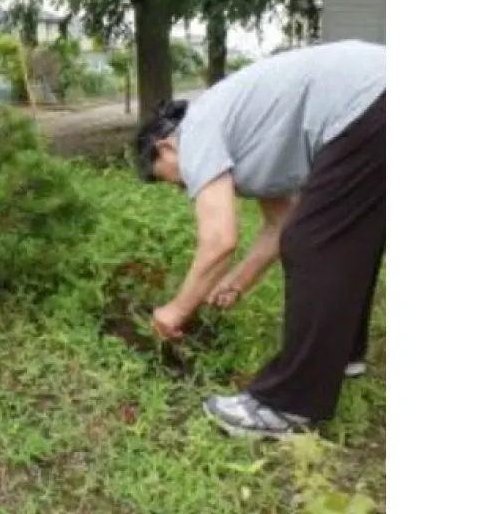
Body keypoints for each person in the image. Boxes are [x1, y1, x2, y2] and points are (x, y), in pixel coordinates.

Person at [135, 39, 385, 440]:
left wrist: (175, 311)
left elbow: (220, 240)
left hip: (365, 99)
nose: (182, 188)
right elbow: (279, 225)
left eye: (167, 177)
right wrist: (237, 282)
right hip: (374, 96)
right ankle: (341, 356)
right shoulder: (246, 142)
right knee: (350, 237)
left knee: (312, 242)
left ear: (165, 147)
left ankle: (287, 405)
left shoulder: (195, 131)